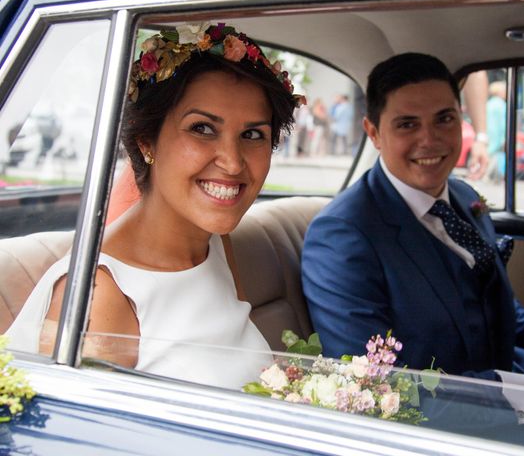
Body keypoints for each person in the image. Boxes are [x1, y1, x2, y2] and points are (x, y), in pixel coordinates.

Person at [301, 53, 524, 419]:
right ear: (373, 133)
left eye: (444, 119)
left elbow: (496, 305)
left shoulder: (464, 196)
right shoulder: (342, 236)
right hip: (456, 418)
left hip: (518, 369)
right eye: (407, 124)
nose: (430, 140)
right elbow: (377, 388)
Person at [6, 22, 302, 389]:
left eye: (253, 135)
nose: (233, 161)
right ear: (147, 141)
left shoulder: (212, 242)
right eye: (203, 129)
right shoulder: (102, 297)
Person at [486, 80, 507, 182]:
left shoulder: (489, 104)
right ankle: (496, 175)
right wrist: (505, 138)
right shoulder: (501, 105)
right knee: (498, 156)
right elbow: (504, 124)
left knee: (491, 155)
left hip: (489, 135)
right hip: (498, 136)